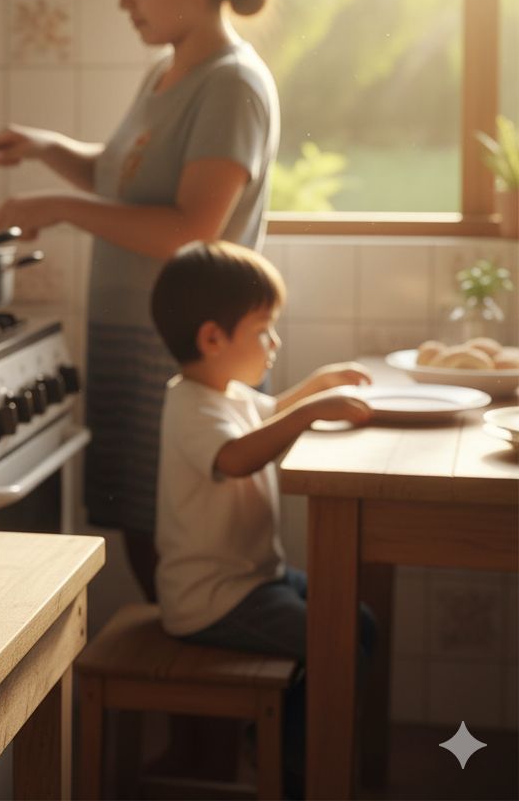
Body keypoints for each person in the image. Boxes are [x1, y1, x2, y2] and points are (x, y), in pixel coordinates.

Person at [0, 0, 279, 599]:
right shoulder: (166, 73)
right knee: (146, 536)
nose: (124, 2)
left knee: (185, 554)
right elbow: (128, 179)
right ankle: (188, 681)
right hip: (134, 334)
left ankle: (205, 696)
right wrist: (48, 149)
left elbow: (189, 228)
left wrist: (58, 208)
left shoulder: (232, 84)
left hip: (186, 351)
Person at [150, 239, 377, 792]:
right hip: (214, 601)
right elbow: (236, 456)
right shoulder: (191, 406)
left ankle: (290, 743)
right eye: (262, 329)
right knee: (336, 638)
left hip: (254, 580)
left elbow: (268, 415)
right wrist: (310, 412)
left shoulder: (227, 392)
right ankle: (297, 765)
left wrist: (316, 387)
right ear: (212, 338)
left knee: (360, 624)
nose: (274, 343)